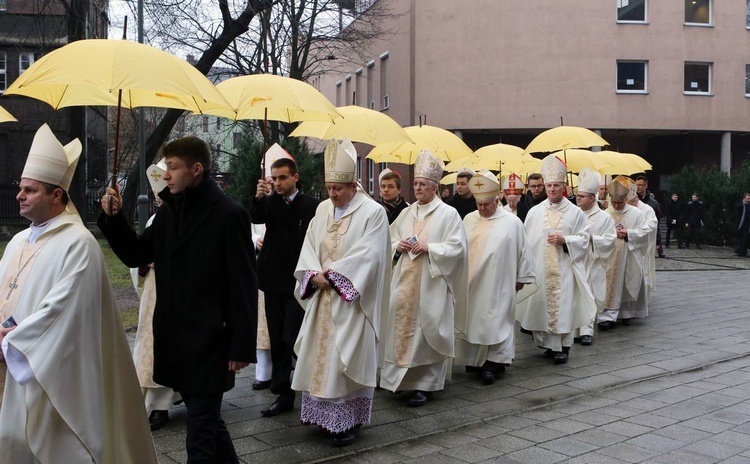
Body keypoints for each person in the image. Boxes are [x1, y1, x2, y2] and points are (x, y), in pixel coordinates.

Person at [0, 124, 157, 463]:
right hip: (10, 361)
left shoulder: (78, 243)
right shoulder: (15, 242)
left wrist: (12, 340)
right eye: (20, 188)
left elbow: (64, 311)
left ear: (56, 195)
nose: (19, 196)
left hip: (53, 371)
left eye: (30, 190)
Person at [98, 136, 257, 463]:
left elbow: (243, 285)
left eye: (172, 167)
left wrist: (241, 345)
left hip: (211, 341)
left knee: (199, 434)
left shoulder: (229, 215)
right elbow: (136, 253)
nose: (165, 175)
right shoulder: (169, 214)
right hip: (175, 340)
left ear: (196, 169)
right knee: (209, 421)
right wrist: (114, 219)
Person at [292, 138, 390, 447]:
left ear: (353, 184)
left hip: (351, 303)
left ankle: (348, 421)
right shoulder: (322, 209)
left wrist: (333, 277)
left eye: (339, 189)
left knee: (344, 357)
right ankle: (321, 415)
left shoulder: (372, 212)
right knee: (319, 357)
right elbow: (309, 244)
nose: (332, 194)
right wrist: (312, 274)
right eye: (329, 187)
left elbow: (370, 254)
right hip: (322, 300)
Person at [382, 148, 468, 406]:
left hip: (432, 282)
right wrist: (398, 246)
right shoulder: (407, 213)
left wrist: (430, 247)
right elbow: (389, 237)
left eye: (422, 184)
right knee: (401, 328)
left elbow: (458, 248)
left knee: (427, 331)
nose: (417, 188)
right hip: (404, 281)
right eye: (416, 184)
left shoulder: (448, 214)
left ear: (434, 187)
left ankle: (426, 385)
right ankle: (401, 380)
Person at [248, 144, 319, 418]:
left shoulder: (312, 205)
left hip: (299, 281)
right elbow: (255, 217)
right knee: (277, 339)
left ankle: (309, 385)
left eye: (282, 178)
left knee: (293, 337)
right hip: (272, 280)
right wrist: (258, 197)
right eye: (273, 178)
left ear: (295, 177)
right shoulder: (269, 202)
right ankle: (283, 393)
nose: (277, 183)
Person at [455, 170, 535, 384]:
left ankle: (495, 362)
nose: (482, 209)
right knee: (473, 319)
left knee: (497, 319)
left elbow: (523, 250)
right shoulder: (469, 219)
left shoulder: (512, 222)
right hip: (472, 281)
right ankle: (475, 360)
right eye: (479, 205)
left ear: (496, 199)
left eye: (486, 205)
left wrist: (521, 277)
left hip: (500, 281)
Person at [515, 155, 596, 364]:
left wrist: (565, 240)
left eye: (556, 186)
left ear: (564, 187)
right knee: (542, 307)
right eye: (549, 185)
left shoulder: (575, 212)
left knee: (564, 307)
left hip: (565, 269)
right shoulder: (535, 212)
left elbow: (584, 238)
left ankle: (563, 347)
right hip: (542, 270)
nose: (552, 189)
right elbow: (526, 242)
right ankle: (549, 345)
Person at [130, 161, 181, 431]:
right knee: (150, 344)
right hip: (153, 289)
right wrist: (145, 262)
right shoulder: (154, 219)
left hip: (177, 291)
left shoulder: (186, 215)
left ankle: (168, 401)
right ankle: (156, 405)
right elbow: (138, 252)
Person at [598, 176, 650, 330]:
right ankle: (607, 315)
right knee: (609, 284)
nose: (616, 205)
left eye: (619, 202)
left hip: (628, 254)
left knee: (627, 282)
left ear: (626, 198)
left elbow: (645, 231)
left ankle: (626, 313)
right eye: (614, 202)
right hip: (609, 256)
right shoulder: (605, 214)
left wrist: (629, 233)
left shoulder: (636, 213)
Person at [573, 169, 616, 346]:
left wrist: (592, 239)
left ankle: (587, 330)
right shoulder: (573, 214)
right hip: (575, 263)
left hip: (593, 263)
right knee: (575, 298)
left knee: (590, 296)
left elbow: (610, 240)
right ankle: (575, 330)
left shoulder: (604, 218)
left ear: (592, 198)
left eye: (582, 196)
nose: (578, 199)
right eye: (578, 196)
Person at [628, 181, 658, 302]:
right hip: (629, 247)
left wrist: (636, 230)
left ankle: (642, 299)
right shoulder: (627, 209)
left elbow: (652, 225)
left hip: (643, 248)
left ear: (635, 199)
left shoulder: (647, 209)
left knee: (643, 272)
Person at [635, 175, 665, 258]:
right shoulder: (631, 201)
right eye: (636, 185)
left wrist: (658, 242)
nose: (638, 187)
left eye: (640, 185)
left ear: (646, 186)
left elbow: (656, 224)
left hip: (648, 238)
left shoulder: (654, 204)